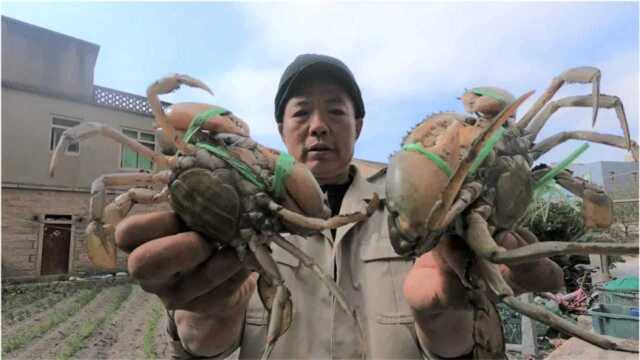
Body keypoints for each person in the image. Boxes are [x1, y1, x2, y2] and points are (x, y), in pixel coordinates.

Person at [115, 54, 564, 359]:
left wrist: (451, 328)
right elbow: (202, 345)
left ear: (359, 125)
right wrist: (196, 333)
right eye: (301, 112)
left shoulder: (425, 208)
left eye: (335, 111)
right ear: (278, 127)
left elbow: (477, 346)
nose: (318, 128)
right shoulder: (233, 219)